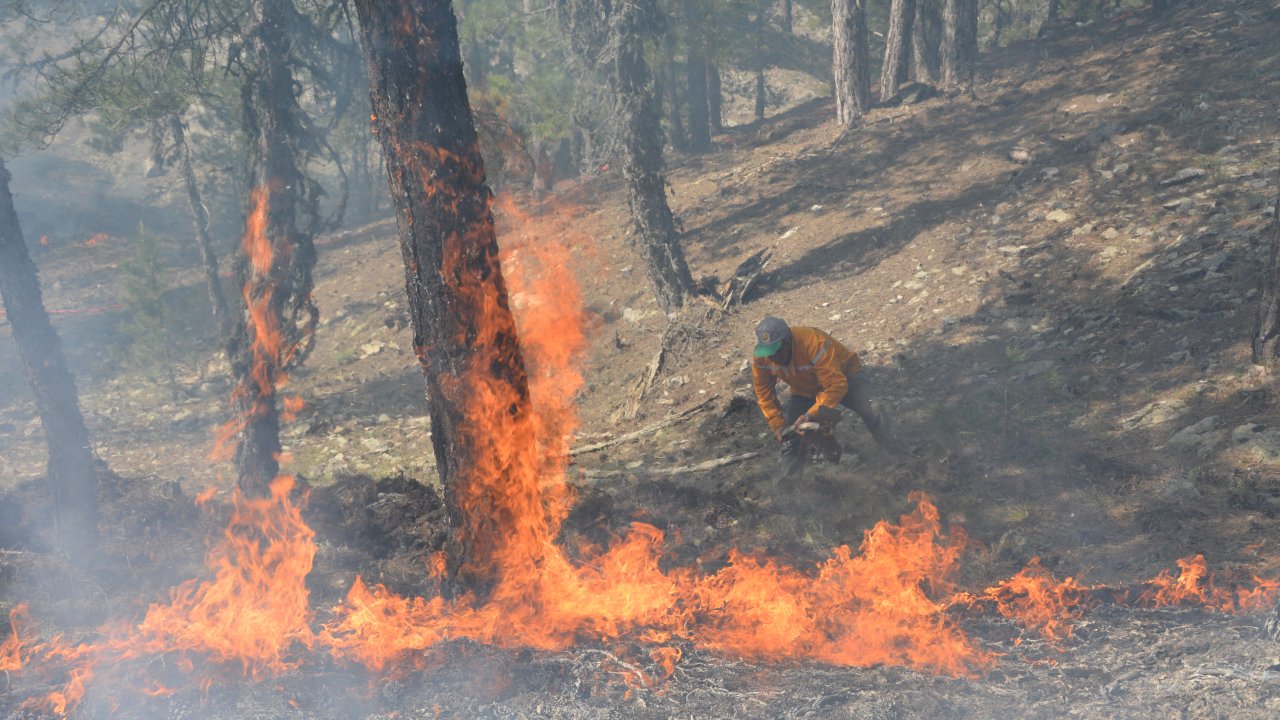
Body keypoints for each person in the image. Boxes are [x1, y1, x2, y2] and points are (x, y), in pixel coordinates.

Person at [751, 316, 898, 481]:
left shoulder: (813, 342)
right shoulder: (762, 358)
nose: (772, 357)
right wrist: (777, 425)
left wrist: (810, 415)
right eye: (768, 352)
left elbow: (836, 385)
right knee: (791, 437)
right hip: (805, 390)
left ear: (788, 340)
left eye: (776, 351)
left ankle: (898, 454)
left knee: (872, 408)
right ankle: (791, 486)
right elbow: (764, 393)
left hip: (844, 376)